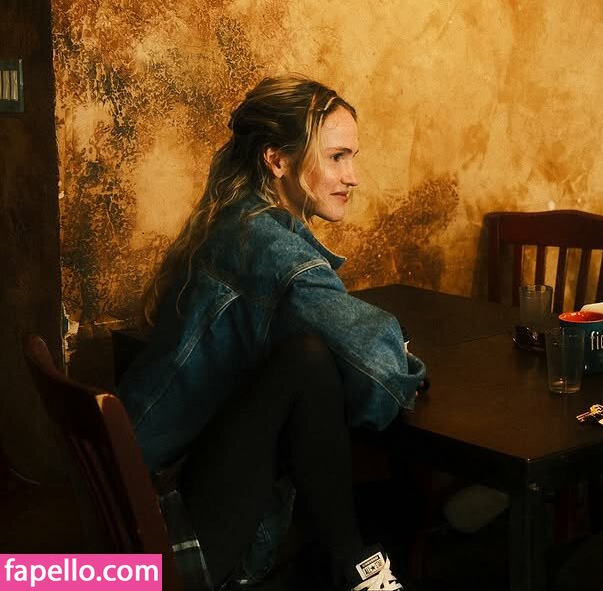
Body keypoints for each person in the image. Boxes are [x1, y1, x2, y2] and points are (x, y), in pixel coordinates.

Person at [118, 76, 426, 591]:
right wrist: (403, 357)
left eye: (352, 157)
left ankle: (351, 565)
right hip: (166, 537)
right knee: (309, 360)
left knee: (310, 370)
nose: (352, 177)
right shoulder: (272, 251)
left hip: (134, 503)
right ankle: (354, 568)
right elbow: (382, 384)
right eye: (336, 157)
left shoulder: (236, 222)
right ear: (277, 160)